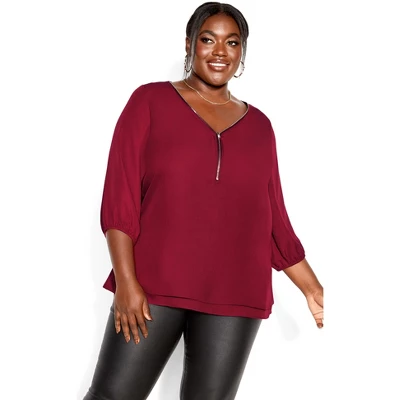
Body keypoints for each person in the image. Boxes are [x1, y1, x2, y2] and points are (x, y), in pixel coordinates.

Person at [83, 2, 324, 399]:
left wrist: (311, 286)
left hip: (236, 294)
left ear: (242, 51)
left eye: (232, 42)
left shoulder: (260, 126)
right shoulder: (149, 102)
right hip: (152, 287)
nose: (220, 52)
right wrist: (126, 282)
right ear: (189, 44)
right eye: (208, 40)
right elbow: (120, 200)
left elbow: (273, 219)